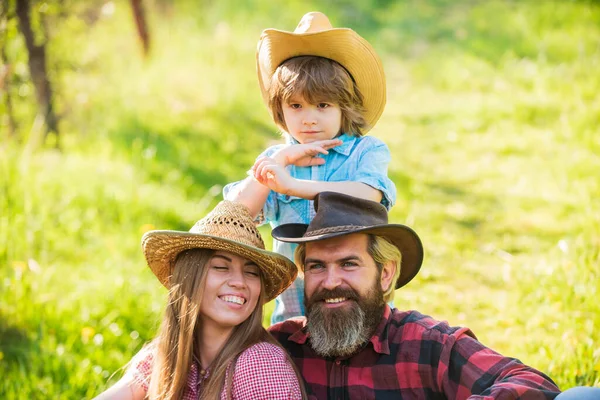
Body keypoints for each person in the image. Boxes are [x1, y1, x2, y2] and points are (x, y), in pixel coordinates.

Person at [269, 192, 600, 399]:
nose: (330, 282)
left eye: (348, 264)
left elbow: (530, 383)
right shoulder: (278, 349)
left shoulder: (425, 345)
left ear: (385, 274)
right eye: (316, 267)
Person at [224, 11, 397, 324]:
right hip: (294, 309)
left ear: (346, 107)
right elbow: (233, 217)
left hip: (356, 305)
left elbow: (368, 195)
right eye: (296, 106)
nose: (309, 118)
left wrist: (293, 187)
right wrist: (274, 167)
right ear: (280, 110)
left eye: (323, 105)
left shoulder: (364, 151)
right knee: (297, 362)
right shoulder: (278, 159)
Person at [94, 201, 306, 399]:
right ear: (190, 278)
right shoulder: (169, 355)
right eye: (221, 267)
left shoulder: (258, 364)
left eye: (251, 273)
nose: (239, 282)